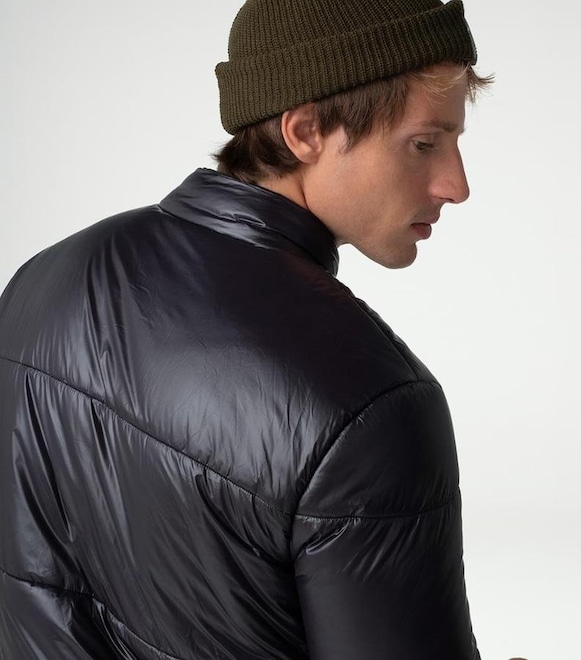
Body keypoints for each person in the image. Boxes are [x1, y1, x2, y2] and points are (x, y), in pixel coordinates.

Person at [0, 1, 492, 658]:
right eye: (424, 144)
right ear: (306, 130)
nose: (456, 184)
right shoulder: (373, 405)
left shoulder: (42, 278)